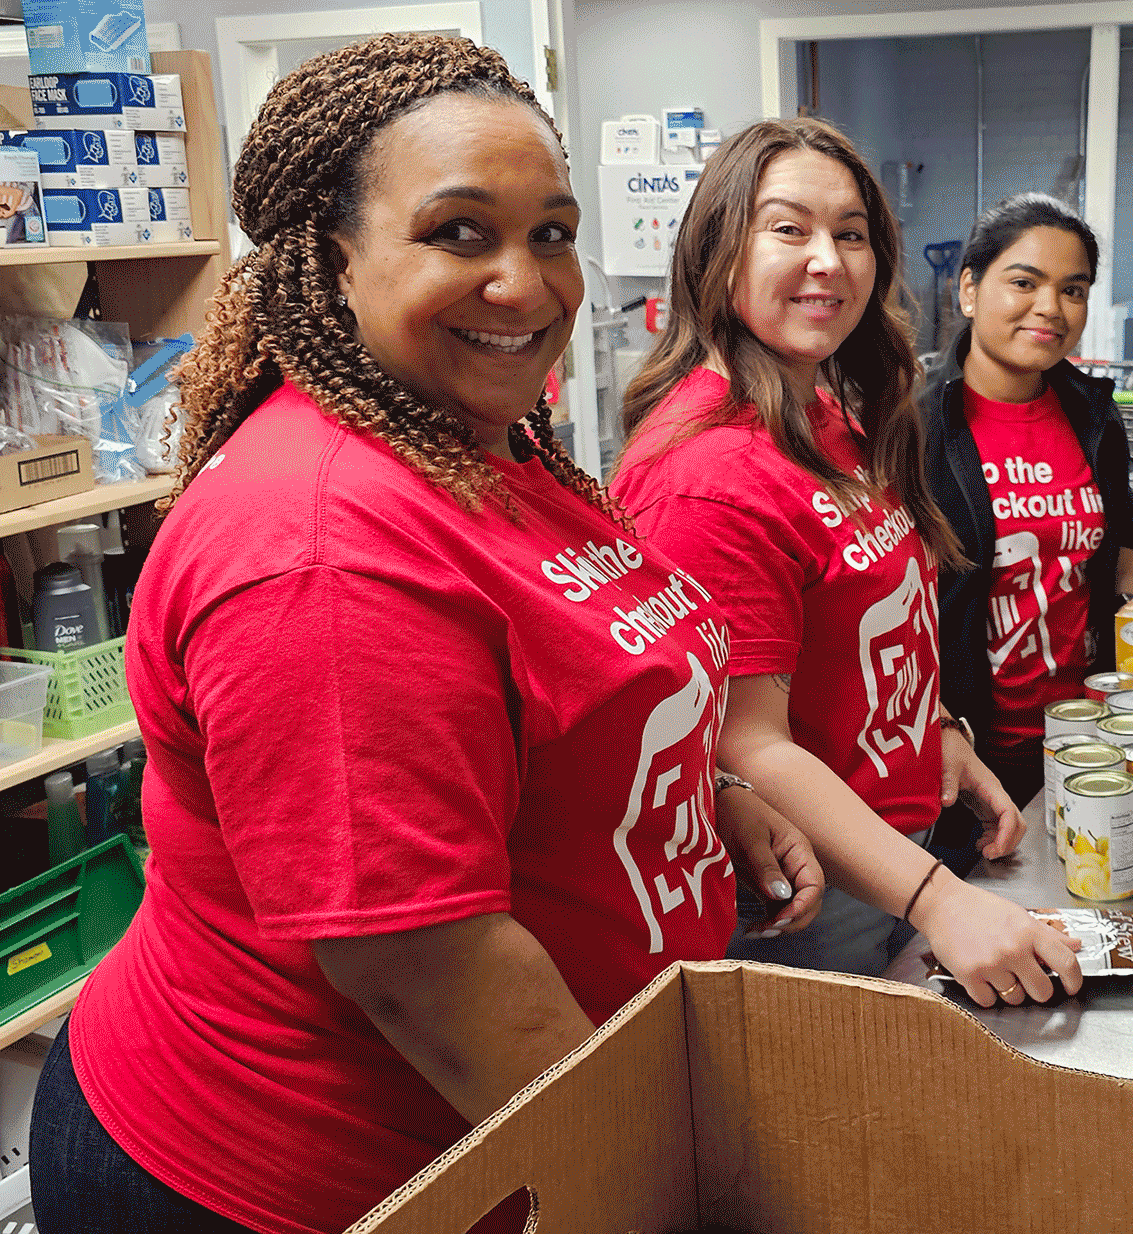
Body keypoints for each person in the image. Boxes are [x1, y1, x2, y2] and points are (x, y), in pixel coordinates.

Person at [27, 34, 819, 1234]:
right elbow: (422, 970)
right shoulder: (324, 551)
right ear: (333, 261)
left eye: (552, 232)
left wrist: (681, 791)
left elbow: (544, 690)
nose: (526, 281)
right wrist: (653, 1187)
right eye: (460, 232)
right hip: (284, 1178)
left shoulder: (479, 434)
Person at [609, 118, 1083, 1008]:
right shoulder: (704, 474)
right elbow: (743, 740)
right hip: (814, 896)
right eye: (789, 229)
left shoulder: (821, 415)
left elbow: (872, 619)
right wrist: (941, 901)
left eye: (852, 233)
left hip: (898, 854)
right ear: (719, 247)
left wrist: (938, 732)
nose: (828, 260)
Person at [925, 193, 1133, 825]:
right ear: (970, 288)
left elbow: (1120, 546)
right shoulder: (916, 426)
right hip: (969, 751)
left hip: (1087, 736)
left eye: (1073, 290)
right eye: (1024, 282)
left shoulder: (1092, 414)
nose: (1050, 308)